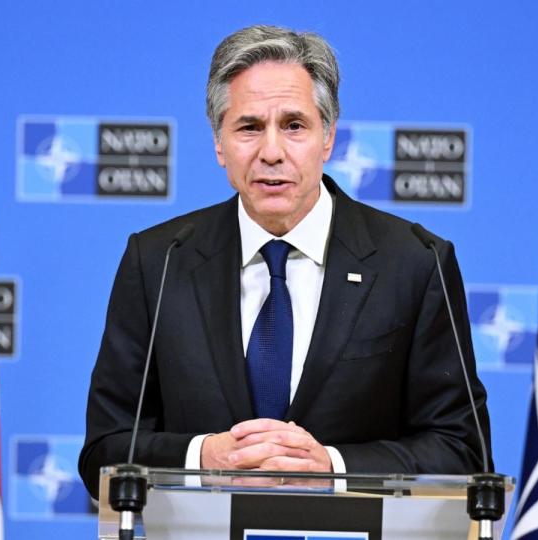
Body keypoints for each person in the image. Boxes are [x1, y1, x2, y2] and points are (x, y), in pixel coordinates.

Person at [78, 24, 491, 499]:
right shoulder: (159, 261)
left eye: (294, 126)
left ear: (328, 138)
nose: (271, 152)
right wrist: (204, 458)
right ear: (219, 143)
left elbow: (463, 452)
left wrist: (332, 466)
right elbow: (104, 452)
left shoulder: (415, 263)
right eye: (249, 127)